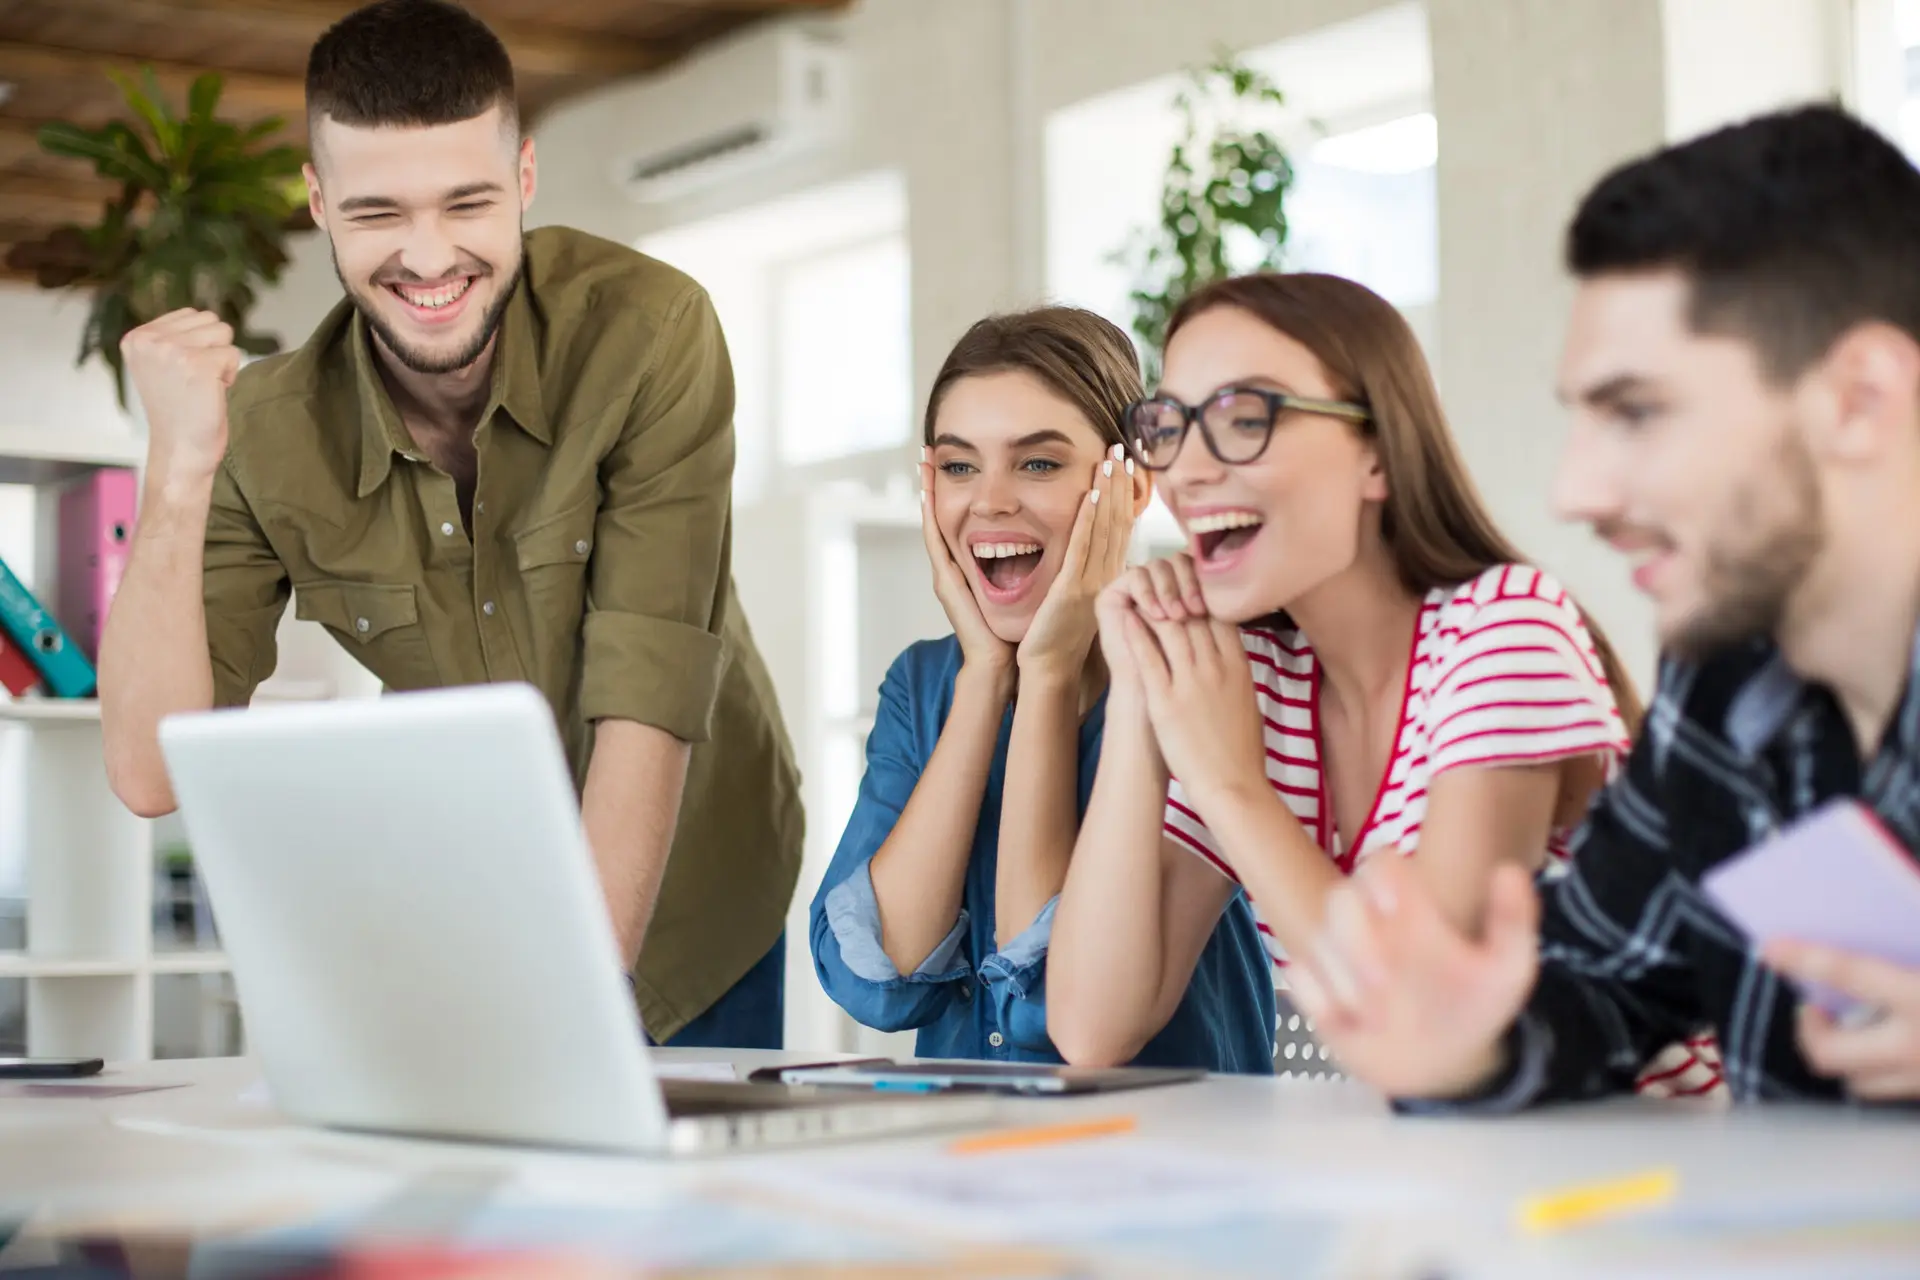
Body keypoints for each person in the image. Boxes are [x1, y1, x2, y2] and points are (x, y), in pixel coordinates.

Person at [96, 0, 802, 1049]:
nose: (429, 260)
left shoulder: (650, 334)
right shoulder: (266, 435)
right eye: (379, 213)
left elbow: (644, 710)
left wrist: (572, 1026)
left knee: (676, 1209)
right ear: (320, 204)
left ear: (522, 178)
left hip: (703, 891)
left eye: (465, 203)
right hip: (484, 901)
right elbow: (151, 772)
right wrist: (177, 469)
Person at [1278, 104, 1920, 1109]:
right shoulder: (1728, 684)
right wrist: (1466, 1038)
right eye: (1581, 419)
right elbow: (1600, 979)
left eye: (1637, 413)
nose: (1575, 493)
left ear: (1859, 397)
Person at [1045, 272, 1710, 1089]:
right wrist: (1143, 698)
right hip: (1458, 1174)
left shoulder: (1504, 630)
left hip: (1645, 1178)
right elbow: (1090, 1026)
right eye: (1170, 427)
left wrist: (1231, 783)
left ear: (1377, 455)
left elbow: (1426, 1020)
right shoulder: (1257, 681)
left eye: (1245, 419)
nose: (1185, 472)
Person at [809, 307, 1276, 1071]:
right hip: (969, 1165)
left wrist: (1051, 675)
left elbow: (1052, 1008)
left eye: (1037, 464)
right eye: (959, 467)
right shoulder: (925, 685)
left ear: (1132, 485)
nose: (990, 502)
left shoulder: (1195, 669)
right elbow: (877, 976)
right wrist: (989, 675)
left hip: (1168, 1155)